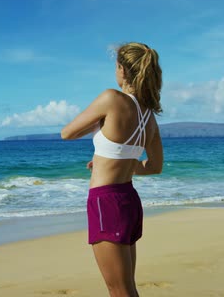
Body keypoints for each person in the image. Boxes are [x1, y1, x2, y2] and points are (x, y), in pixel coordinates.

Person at [61, 42, 164, 297]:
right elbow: (154, 166)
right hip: (128, 199)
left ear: (123, 70)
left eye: (116, 66)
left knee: (119, 291)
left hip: (105, 202)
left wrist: (99, 123)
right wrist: (116, 161)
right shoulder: (149, 116)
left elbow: (67, 133)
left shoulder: (111, 98)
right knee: (127, 287)